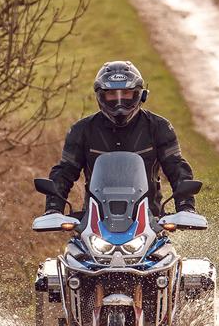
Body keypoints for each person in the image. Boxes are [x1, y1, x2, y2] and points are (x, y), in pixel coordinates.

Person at [44, 60, 196, 216]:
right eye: (111, 94)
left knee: (166, 241)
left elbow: (176, 167)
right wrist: (53, 208)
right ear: (100, 96)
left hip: (150, 222)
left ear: (139, 94)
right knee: (73, 242)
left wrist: (186, 207)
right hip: (94, 223)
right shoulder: (82, 130)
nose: (119, 102)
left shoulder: (159, 127)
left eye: (125, 93)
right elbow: (64, 171)